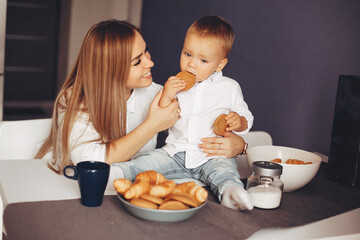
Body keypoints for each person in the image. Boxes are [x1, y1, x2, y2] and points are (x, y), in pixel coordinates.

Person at [35, 19, 247, 189]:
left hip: (123, 188)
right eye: (137, 61)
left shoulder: (156, 93)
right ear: (110, 69)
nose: (151, 62)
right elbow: (89, 161)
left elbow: (202, 123)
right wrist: (152, 125)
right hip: (65, 186)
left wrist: (240, 146)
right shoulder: (74, 101)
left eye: (146, 51)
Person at [113, 16, 254, 211]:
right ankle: (111, 174)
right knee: (145, 163)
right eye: (187, 54)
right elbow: (160, 116)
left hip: (212, 156)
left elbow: (245, 114)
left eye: (203, 60)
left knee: (225, 173)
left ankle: (232, 193)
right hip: (175, 153)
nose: (191, 64)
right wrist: (167, 94)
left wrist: (239, 121)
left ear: (220, 65)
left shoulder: (229, 87)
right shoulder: (176, 85)